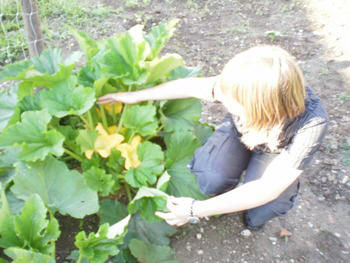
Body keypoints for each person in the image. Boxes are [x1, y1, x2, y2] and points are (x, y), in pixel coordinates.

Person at [98, 45, 328, 230]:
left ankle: (247, 209)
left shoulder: (311, 125)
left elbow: (268, 188)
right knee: (209, 179)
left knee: (263, 208)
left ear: (261, 109)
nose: (222, 101)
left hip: (278, 152)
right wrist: (135, 96)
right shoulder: (242, 86)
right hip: (243, 134)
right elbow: (188, 86)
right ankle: (230, 189)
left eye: (232, 103)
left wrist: (195, 210)